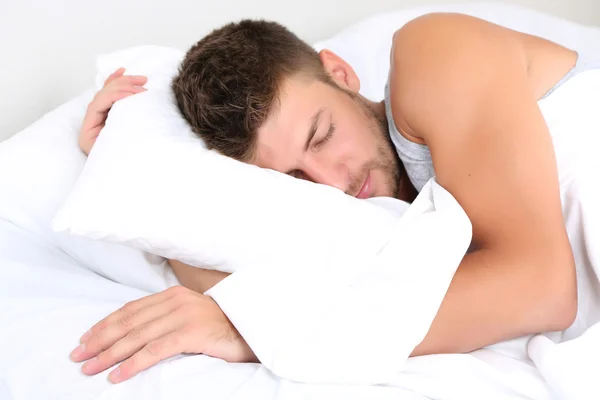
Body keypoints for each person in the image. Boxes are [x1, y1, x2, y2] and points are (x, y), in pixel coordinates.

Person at [72, 13, 599, 384]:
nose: (330, 181)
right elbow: (277, 279)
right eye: (294, 178)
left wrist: (254, 327)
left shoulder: (433, 53)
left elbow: (543, 287)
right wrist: (121, 166)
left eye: (321, 135)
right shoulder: (382, 222)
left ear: (341, 74)